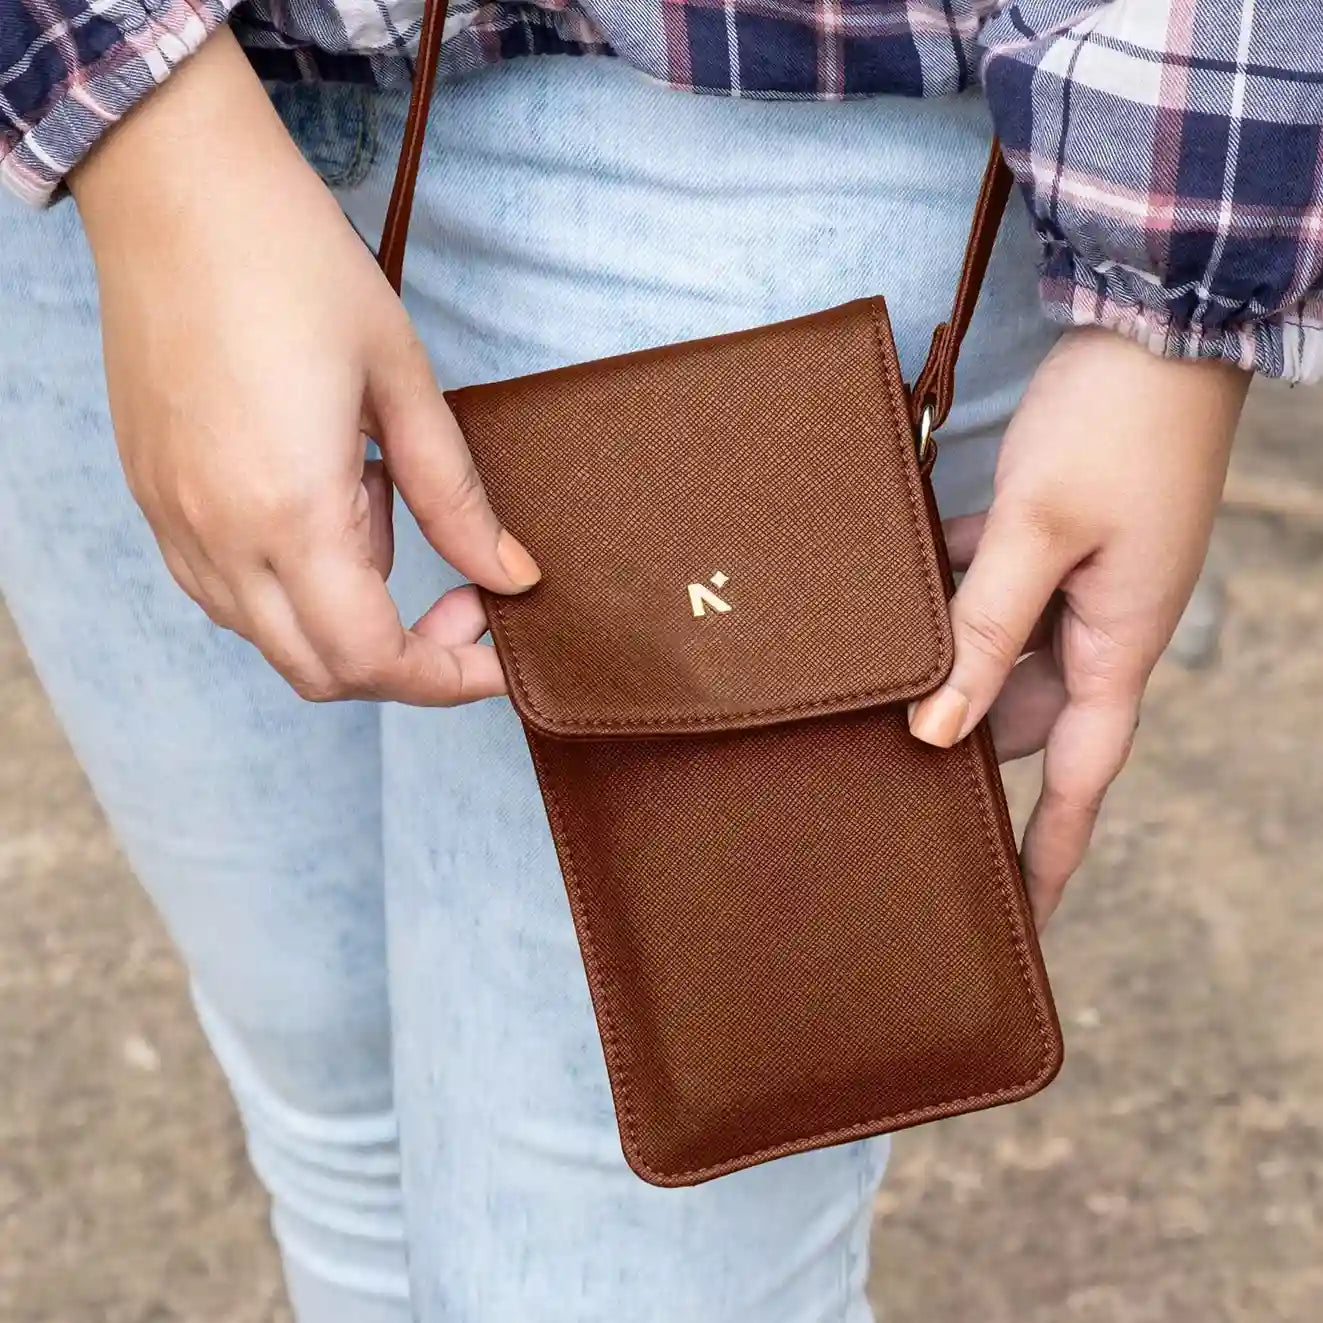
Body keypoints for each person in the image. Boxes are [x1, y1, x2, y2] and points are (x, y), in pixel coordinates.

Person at [0, 2, 1315, 1319]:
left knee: (609, 1282)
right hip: (97, 125)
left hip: (750, 123)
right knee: (336, 1103)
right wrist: (142, 121)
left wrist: (1181, 309)